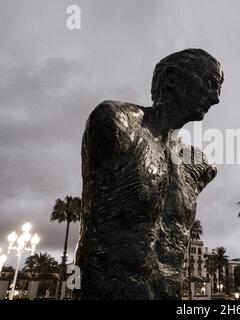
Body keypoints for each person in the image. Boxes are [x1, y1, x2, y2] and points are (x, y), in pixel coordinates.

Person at [76, 49, 224, 299]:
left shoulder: (197, 163)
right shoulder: (118, 124)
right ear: (173, 78)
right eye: (210, 83)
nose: (216, 98)